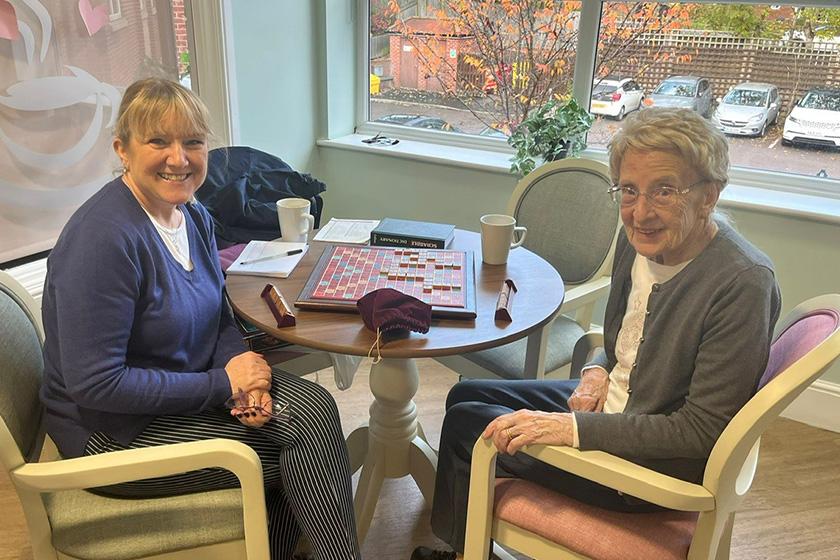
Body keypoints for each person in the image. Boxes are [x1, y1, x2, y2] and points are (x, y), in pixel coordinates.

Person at [412, 107, 782, 560]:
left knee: (471, 423)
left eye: (663, 191)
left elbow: (700, 431)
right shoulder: (637, 240)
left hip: (650, 466)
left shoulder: (742, 283)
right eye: (628, 190)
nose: (640, 212)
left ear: (710, 194)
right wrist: (593, 370)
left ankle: (464, 551)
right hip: (618, 407)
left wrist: (571, 429)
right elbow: (618, 344)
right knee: (464, 395)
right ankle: (466, 543)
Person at [40, 78, 361, 560]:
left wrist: (247, 380)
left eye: (192, 141)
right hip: (112, 434)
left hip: (180, 392)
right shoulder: (102, 240)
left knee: (311, 408)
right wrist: (222, 385)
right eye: (158, 141)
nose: (179, 157)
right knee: (302, 447)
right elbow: (96, 385)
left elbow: (215, 316)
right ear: (122, 149)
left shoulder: (191, 214)